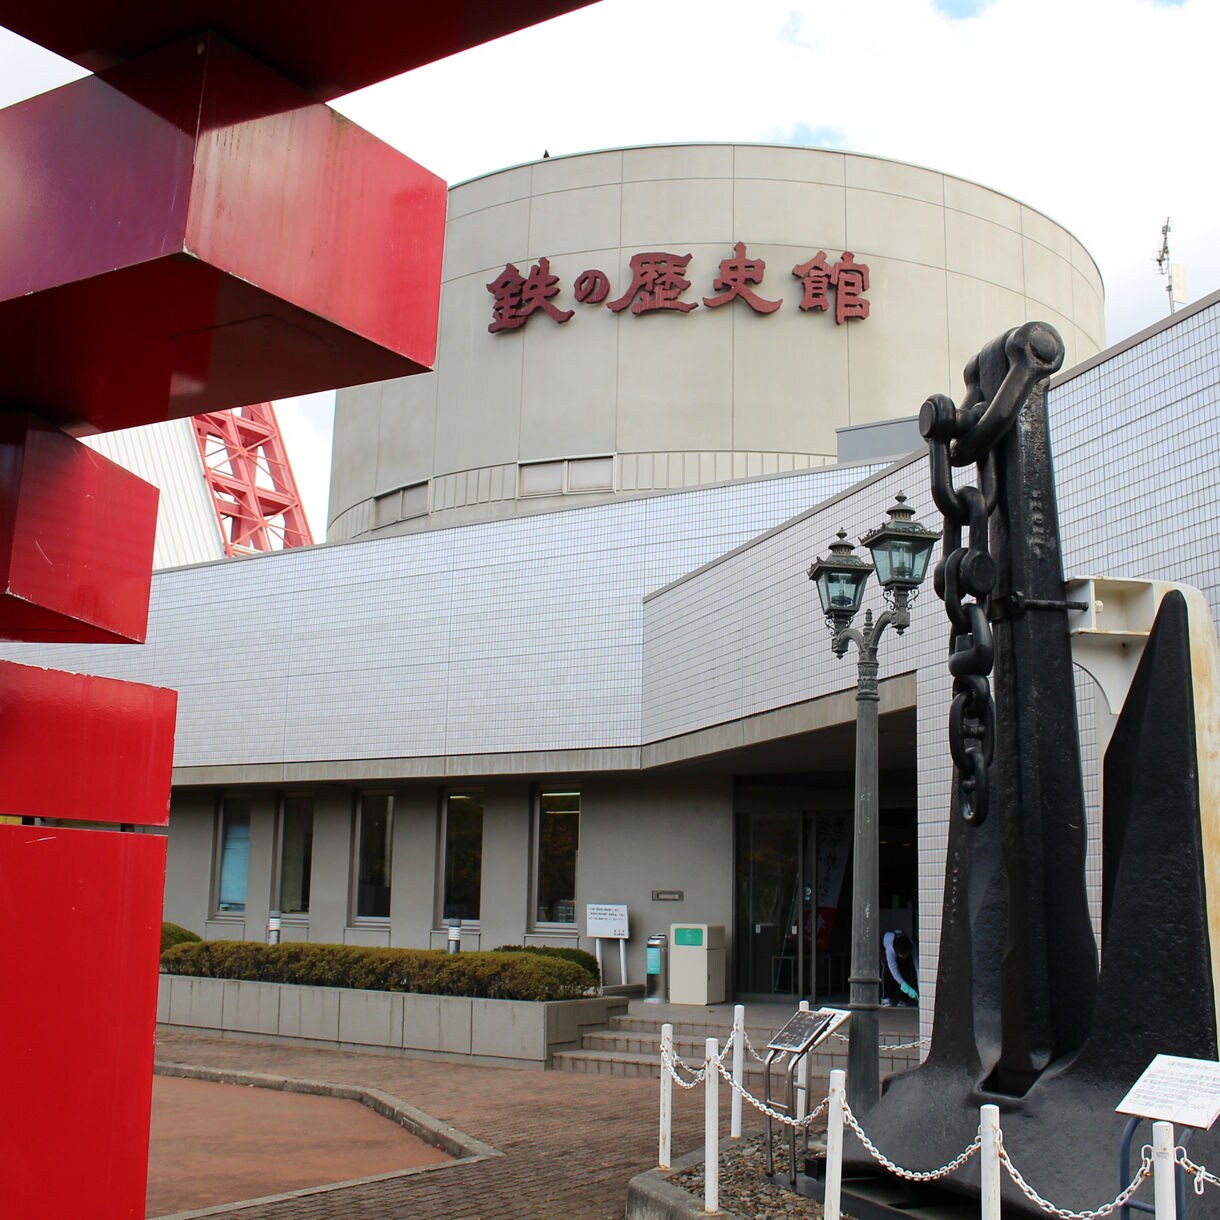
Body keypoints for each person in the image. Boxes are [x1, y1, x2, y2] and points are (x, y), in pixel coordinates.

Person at [881, 929, 919, 1006]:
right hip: (885, 946)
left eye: (906, 954)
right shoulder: (890, 950)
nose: (905, 957)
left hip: (901, 947)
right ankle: (886, 998)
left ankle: (903, 999)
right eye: (903, 955)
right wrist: (905, 986)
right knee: (887, 972)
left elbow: (917, 964)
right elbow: (894, 970)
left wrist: (920, 979)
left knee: (906, 970)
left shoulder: (912, 946)